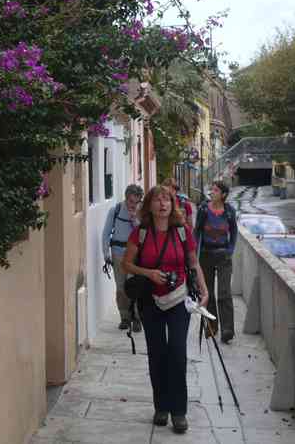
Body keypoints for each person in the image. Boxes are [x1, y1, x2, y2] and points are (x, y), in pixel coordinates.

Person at [121, 186, 209, 433]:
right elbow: (126, 264)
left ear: (172, 205)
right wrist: (149, 273)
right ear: (149, 205)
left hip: (179, 299)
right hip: (150, 301)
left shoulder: (182, 232)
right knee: (157, 355)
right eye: (157, 200)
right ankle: (161, 407)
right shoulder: (140, 233)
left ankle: (179, 412)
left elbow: (194, 263)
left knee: (178, 354)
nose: (162, 204)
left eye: (167, 200)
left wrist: (205, 291)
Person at [193, 180, 238, 344]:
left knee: (224, 292)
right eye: (212, 189)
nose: (212, 192)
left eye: (216, 190)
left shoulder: (229, 211)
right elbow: (197, 231)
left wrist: (230, 250)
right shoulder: (204, 209)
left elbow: (234, 232)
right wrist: (194, 254)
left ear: (223, 195)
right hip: (206, 255)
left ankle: (228, 330)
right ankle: (212, 326)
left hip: (223, 256)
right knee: (209, 293)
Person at [102, 184, 144, 331]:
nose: (133, 205)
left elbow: (144, 234)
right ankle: (125, 317)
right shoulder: (116, 210)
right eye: (131, 201)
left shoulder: (141, 213)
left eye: (137, 202)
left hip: (136, 255)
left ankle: (137, 318)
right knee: (121, 287)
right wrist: (106, 253)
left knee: (135, 286)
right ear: (126, 198)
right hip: (118, 253)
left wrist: (135, 220)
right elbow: (106, 233)